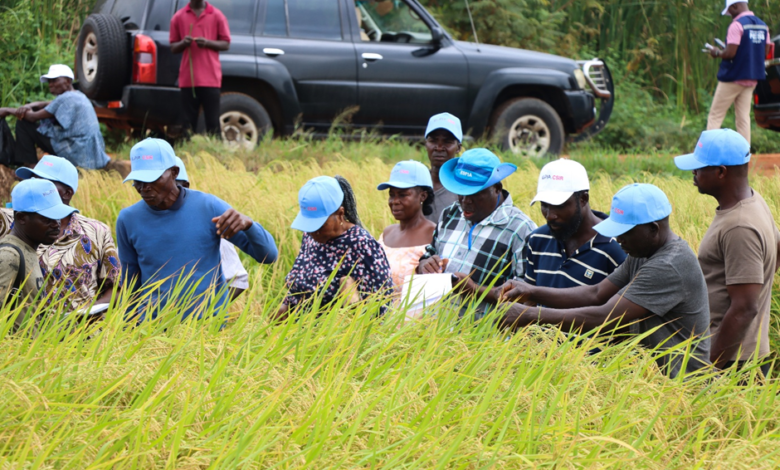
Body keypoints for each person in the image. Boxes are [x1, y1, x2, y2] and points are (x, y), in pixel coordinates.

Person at [500, 184, 712, 378]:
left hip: (684, 385)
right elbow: (596, 293)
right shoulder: (642, 254)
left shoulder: (668, 265)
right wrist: (530, 291)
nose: (618, 241)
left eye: (624, 233)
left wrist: (530, 315)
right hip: (656, 380)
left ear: (653, 229)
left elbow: (605, 317)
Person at [116, 138, 277, 322]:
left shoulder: (209, 207)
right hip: (154, 330)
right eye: (138, 181)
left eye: (152, 179)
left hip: (207, 332)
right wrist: (128, 330)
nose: (144, 188)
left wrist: (249, 225)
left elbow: (268, 256)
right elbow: (130, 283)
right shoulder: (128, 219)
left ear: (174, 172)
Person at [675, 129, 779, 374]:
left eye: (700, 167)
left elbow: (745, 307)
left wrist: (706, 369)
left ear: (721, 172)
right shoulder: (754, 201)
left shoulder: (739, 225)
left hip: (734, 363)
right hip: (736, 355)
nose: (694, 172)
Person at [416, 148, 537, 319]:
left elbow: (527, 298)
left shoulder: (520, 229)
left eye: (475, 194)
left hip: (484, 339)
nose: (465, 201)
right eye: (461, 193)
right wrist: (425, 264)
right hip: (433, 334)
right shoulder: (450, 214)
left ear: (496, 188)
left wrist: (474, 290)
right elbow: (429, 254)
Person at [277, 175, 393, 320]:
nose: (314, 231)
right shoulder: (310, 236)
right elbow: (297, 291)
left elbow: (382, 306)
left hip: (335, 337)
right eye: (309, 224)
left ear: (340, 213)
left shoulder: (362, 245)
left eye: (320, 225)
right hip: (296, 331)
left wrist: (352, 302)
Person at [11, 156, 120, 310]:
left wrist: (88, 312)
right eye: (32, 180)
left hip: (82, 330)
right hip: (26, 331)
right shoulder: (15, 222)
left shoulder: (96, 231)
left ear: (67, 193)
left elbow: (115, 287)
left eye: (43, 183)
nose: (34, 187)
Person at [525, 159, 626, 288]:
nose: (550, 215)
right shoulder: (537, 240)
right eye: (544, 205)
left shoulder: (616, 246)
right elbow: (530, 299)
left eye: (558, 205)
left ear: (583, 199)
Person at [0, 179, 77, 330]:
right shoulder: (9, 256)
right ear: (22, 218)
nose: (56, 224)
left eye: (57, 216)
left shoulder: (28, 250)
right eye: (46, 218)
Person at [0, 64, 110, 169]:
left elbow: (32, 117)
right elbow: (46, 104)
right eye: (49, 81)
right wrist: (28, 105)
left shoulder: (65, 99)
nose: (51, 84)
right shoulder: (78, 95)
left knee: (24, 123)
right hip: (90, 153)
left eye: (55, 80)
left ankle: (31, 166)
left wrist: (7, 110)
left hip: (76, 152)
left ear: (68, 81)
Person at [173, 156, 249, 300]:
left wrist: (209, 311)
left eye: (172, 187)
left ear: (186, 186)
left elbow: (237, 280)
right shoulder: (137, 225)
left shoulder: (209, 224)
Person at [706, 0, 770, 144]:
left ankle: (707, 154)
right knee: (743, 119)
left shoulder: (737, 25)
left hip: (733, 79)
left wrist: (716, 52)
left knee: (715, 116)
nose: (730, 16)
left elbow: (730, 53)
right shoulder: (763, 25)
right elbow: (765, 51)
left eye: (730, 11)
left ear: (735, 6)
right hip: (752, 79)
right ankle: (744, 157)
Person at [170, 0, 231, 136]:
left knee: (213, 122)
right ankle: (188, 152)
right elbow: (173, 47)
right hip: (188, 79)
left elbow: (226, 43)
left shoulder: (217, 15)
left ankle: (213, 152)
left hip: (210, 78)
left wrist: (208, 43)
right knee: (187, 123)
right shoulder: (179, 17)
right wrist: (183, 43)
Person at [376, 160, 436, 291]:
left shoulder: (435, 235)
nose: (395, 201)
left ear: (423, 196)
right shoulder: (387, 233)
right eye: (392, 195)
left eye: (403, 195)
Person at [424, 113, 463, 223]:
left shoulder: (464, 187)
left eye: (447, 142)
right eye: (433, 141)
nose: (439, 148)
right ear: (426, 145)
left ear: (458, 148)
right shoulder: (416, 183)